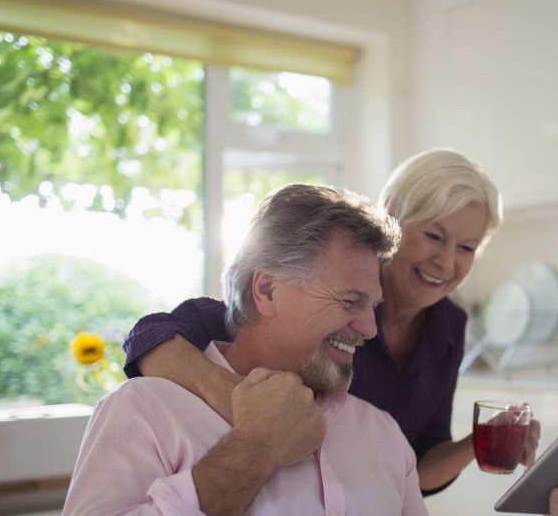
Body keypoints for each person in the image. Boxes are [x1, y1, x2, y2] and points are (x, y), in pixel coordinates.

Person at [57, 184, 558, 516]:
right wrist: (253, 448)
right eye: (349, 302)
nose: (370, 329)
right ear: (269, 288)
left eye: (373, 306)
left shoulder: (377, 433)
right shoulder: (150, 409)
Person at [122, 148, 537, 495]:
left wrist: (480, 444)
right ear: (391, 217)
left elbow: (417, 467)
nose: (446, 262)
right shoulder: (313, 303)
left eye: (466, 247)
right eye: (433, 236)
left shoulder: (449, 327)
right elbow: (150, 338)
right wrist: (245, 405)